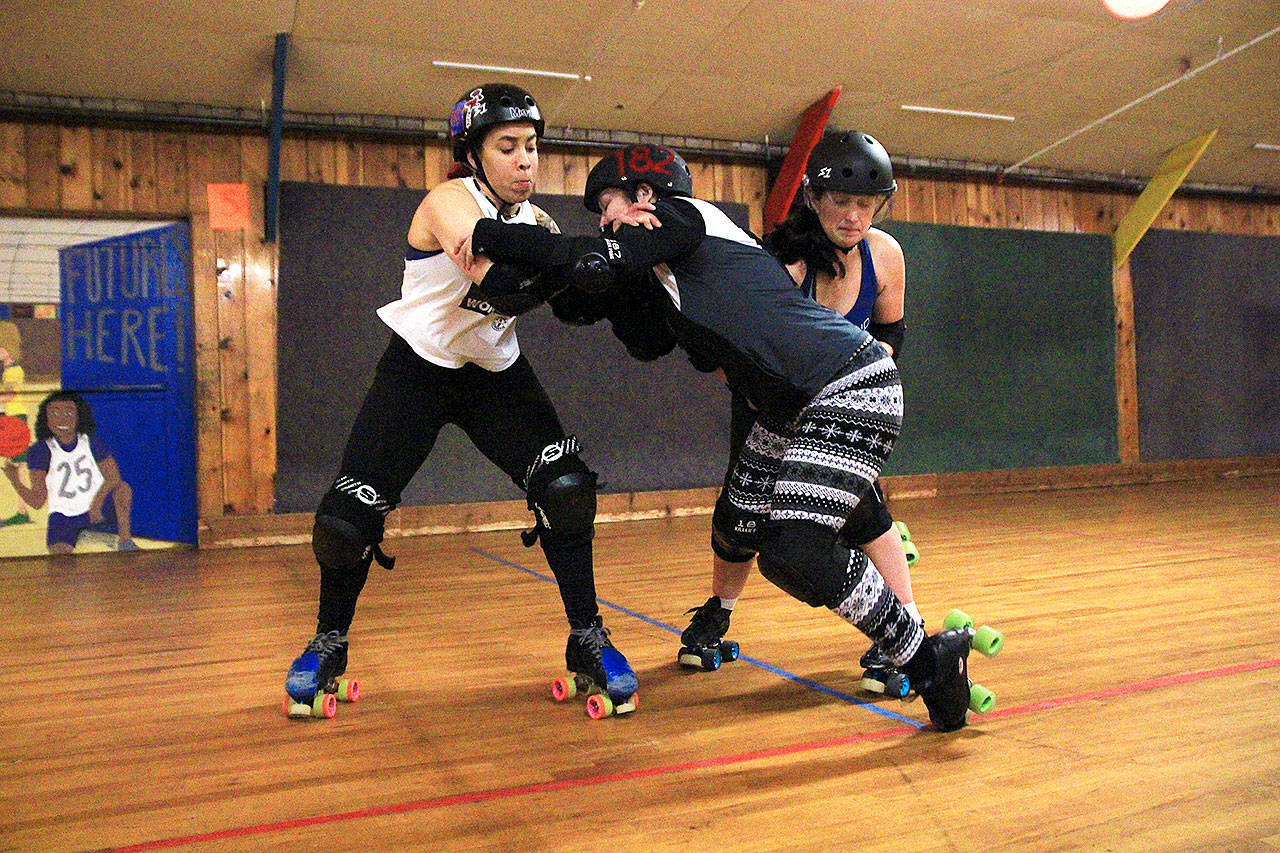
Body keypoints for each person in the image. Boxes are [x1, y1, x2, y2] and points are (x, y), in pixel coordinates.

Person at [460, 142, 976, 731]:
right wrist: (550, 285)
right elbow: (630, 326)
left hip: (849, 386)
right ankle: (926, 657)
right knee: (741, 529)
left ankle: (926, 654)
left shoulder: (690, 217)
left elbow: (593, 256)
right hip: (787, 411)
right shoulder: (669, 272)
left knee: (795, 550)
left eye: (609, 205)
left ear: (647, 197)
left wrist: (488, 233)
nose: (604, 219)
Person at [283, 83, 639, 718]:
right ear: (474, 154)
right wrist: (569, 264)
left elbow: (573, 306)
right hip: (418, 369)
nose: (527, 161)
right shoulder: (450, 201)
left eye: (532, 147)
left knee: (565, 488)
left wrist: (602, 283)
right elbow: (498, 284)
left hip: (495, 374)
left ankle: (587, 635)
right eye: (508, 147)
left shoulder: (540, 224)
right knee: (344, 521)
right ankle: (327, 642)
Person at [680, 130, 921, 696]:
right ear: (814, 197)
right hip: (770, 405)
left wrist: (875, 361)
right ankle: (718, 612)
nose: (855, 216)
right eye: (842, 202)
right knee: (739, 520)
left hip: (839, 405)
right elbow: (740, 353)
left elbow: (891, 330)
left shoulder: (885, 255)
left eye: (866, 205)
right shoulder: (783, 262)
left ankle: (907, 628)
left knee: (864, 514)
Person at [3, 390, 138, 553]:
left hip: (97, 509)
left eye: (68, 412)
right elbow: (38, 502)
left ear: (79, 416)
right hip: (63, 517)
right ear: (46, 419)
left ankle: (125, 542)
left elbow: (114, 477)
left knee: (123, 489)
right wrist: (15, 480)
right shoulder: (39, 450)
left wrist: (97, 503)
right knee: (60, 564)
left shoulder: (92, 442)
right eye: (54, 413)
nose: (62, 419)